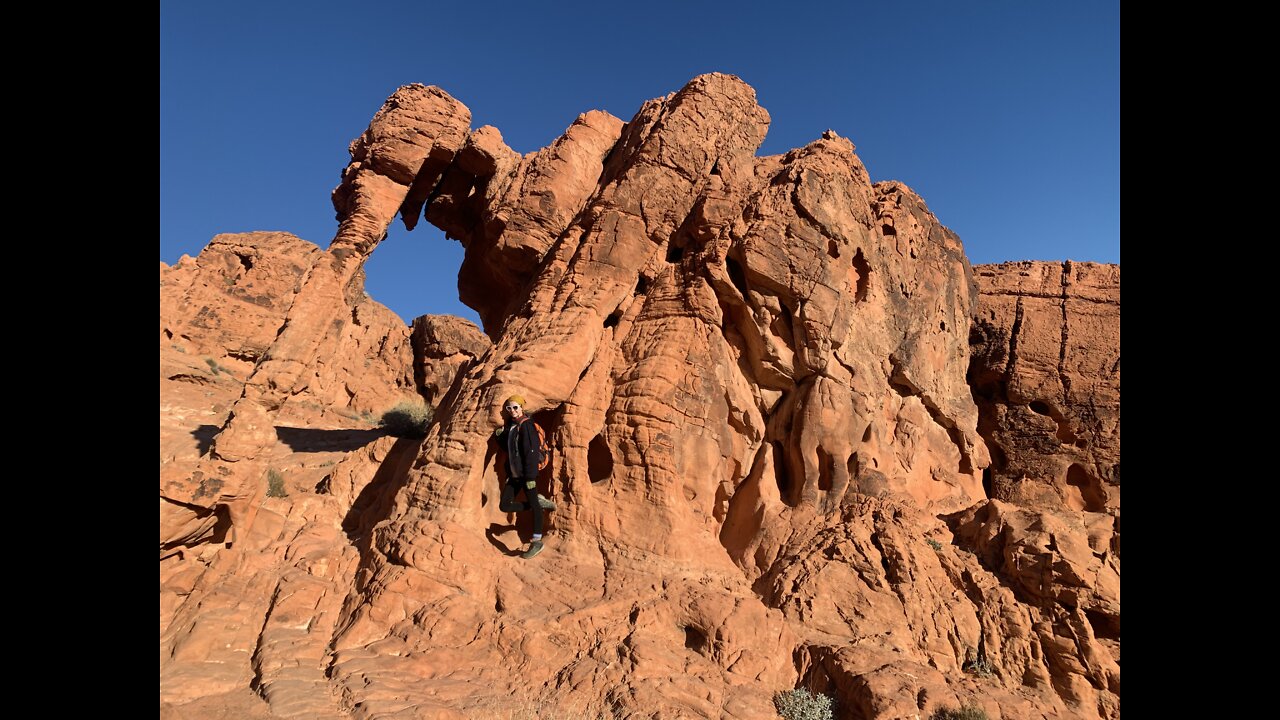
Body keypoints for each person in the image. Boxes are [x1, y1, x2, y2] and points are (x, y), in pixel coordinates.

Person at [494, 395, 556, 559]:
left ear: (522, 408)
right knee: (505, 505)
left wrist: (530, 477)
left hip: (526, 474)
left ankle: (537, 542)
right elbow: (510, 449)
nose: (512, 411)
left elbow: (531, 452)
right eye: (509, 408)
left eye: (515, 407)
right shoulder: (513, 426)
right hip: (515, 475)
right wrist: (500, 436)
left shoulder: (526, 425)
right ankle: (536, 502)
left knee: (535, 508)